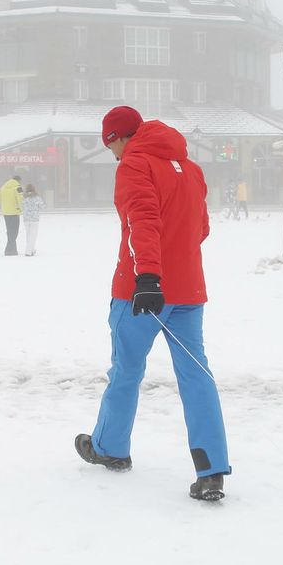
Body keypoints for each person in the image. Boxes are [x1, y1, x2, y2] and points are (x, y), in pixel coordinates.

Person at [74, 106, 231, 502]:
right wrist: (175, 263)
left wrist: (148, 276)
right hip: (188, 292)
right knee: (197, 376)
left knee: (126, 370)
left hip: (141, 291)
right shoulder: (190, 168)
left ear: (118, 138)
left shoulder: (133, 165)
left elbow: (140, 221)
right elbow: (201, 228)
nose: (113, 154)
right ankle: (211, 471)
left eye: (111, 144)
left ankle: (110, 449)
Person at [0, 174, 24, 255]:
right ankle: (8, 250)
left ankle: (13, 250)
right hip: (14, 212)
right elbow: (21, 199)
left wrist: (4, 207)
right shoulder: (18, 187)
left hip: (5, 212)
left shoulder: (3, 187)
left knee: (9, 231)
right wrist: (22, 209)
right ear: (18, 180)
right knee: (14, 231)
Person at [20, 183, 45, 256]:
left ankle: (32, 249)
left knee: (28, 235)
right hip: (34, 219)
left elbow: (21, 206)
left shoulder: (24, 197)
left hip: (26, 218)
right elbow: (42, 206)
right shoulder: (37, 197)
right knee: (33, 235)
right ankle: (28, 251)